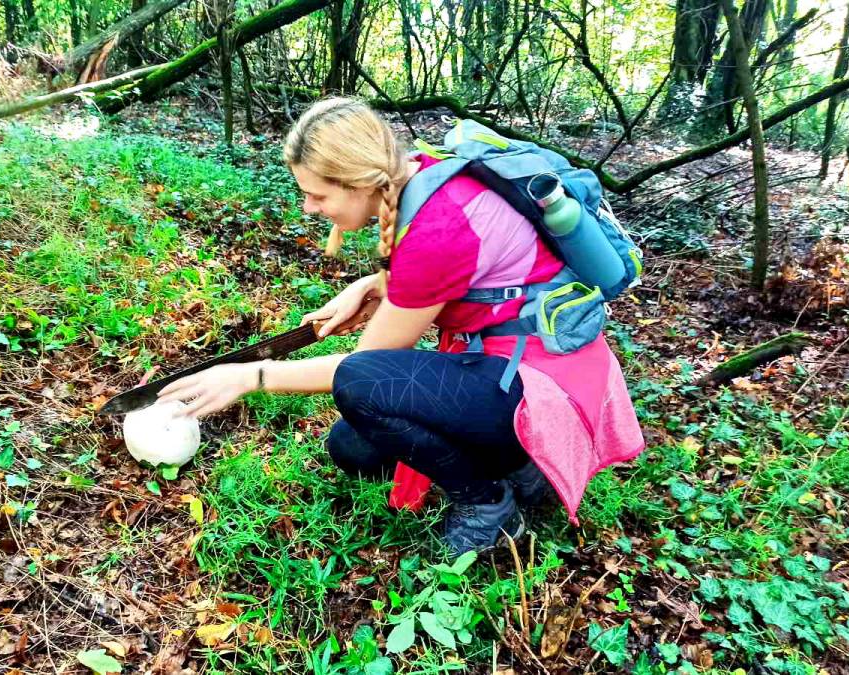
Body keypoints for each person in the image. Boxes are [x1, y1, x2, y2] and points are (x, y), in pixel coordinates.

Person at [157, 97, 644, 557]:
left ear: (358, 180)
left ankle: (491, 502)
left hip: (543, 386)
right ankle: (519, 464)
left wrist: (253, 375)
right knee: (352, 447)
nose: (309, 208)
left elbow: (365, 367)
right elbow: (470, 272)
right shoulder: (423, 174)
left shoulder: (438, 227)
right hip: (502, 363)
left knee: (360, 387)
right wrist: (375, 285)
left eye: (316, 194)